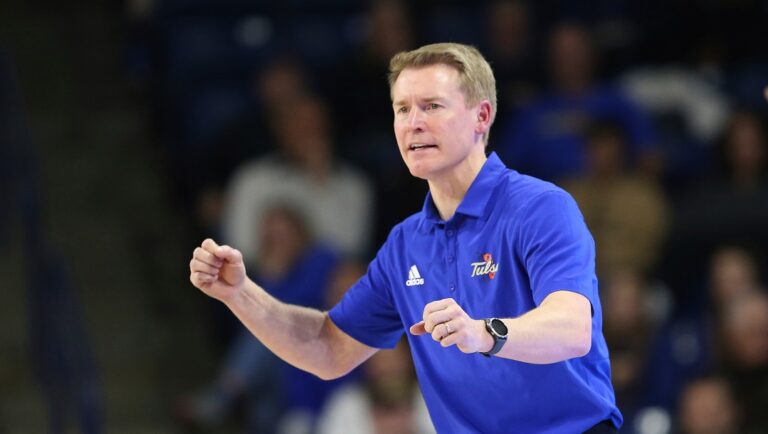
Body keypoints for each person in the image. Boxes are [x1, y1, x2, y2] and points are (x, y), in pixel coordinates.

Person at [189, 42, 622, 433]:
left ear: (482, 116)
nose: (412, 124)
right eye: (402, 109)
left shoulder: (539, 207)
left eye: (432, 106)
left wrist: (483, 333)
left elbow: (572, 328)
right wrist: (241, 294)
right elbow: (327, 348)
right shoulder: (405, 244)